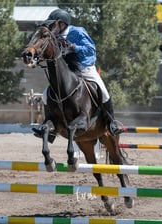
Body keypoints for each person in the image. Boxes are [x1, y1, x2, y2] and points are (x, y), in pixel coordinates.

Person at [32, 9, 123, 141]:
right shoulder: (53, 37)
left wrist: (75, 47)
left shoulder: (78, 32)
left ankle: (111, 123)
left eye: (53, 25)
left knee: (103, 91)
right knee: (47, 94)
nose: (51, 28)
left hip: (84, 68)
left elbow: (91, 49)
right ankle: (50, 128)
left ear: (62, 24)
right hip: (68, 70)